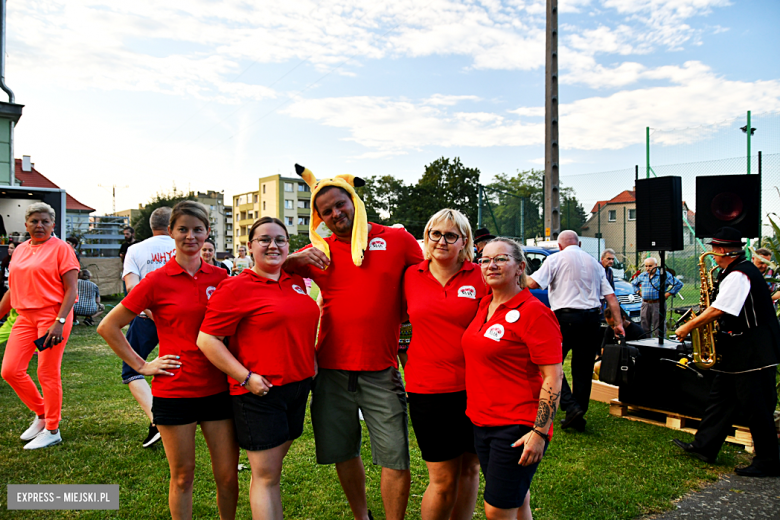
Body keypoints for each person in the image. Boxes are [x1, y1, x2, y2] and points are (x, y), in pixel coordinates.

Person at [284, 165, 423, 520]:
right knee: (343, 451)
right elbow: (266, 272)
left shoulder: (396, 240)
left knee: (395, 455)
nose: (335, 214)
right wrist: (290, 261)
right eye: (326, 211)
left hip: (381, 367)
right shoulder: (318, 251)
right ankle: (362, 516)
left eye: (339, 204)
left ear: (354, 200)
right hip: (331, 369)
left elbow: (431, 278)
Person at [98, 201, 238, 518]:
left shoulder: (221, 278)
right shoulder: (156, 281)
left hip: (219, 389)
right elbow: (108, 327)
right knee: (183, 476)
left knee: (228, 477)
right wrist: (142, 365)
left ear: (207, 233)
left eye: (197, 229)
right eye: (183, 229)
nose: (190, 236)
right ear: (171, 232)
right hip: (175, 392)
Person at [198, 216, 319, 520]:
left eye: (280, 239)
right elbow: (208, 339)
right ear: (249, 246)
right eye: (264, 239)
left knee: (269, 475)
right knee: (266, 478)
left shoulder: (294, 280)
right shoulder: (236, 287)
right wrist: (246, 377)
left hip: (297, 388)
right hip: (259, 393)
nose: (273, 245)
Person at [463, 238, 563, 520]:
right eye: (484, 259)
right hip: (482, 421)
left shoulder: (535, 313)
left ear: (520, 267)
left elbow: (553, 377)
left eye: (501, 259)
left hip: (517, 425)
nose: (491, 265)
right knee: (517, 502)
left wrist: (540, 433)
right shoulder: (484, 305)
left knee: (497, 508)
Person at [673, 227, 780, 478]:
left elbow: (722, 309)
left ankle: (768, 461)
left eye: (714, 250)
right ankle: (704, 447)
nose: (712, 254)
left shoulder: (739, 274)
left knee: (756, 406)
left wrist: (689, 325)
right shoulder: (733, 271)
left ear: (723, 250)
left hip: (753, 350)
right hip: (740, 348)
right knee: (721, 398)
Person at [403, 209, 484, 520]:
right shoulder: (411, 275)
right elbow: (401, 323)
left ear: (464, 241)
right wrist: (406, 357)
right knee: (442, 480)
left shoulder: (480, 275)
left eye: (451, 235)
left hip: (477, 387)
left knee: (470, 468)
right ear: (426, 237)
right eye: (435, 234)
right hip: (429, 390)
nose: (442, 241)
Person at [0, 202, 79, 449]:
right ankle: (42, 414)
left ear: (53, 224)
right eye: (34, 221)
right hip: (24, 317)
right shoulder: (20, 250)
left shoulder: (62, 249)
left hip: (53, 318)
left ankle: (53, 429)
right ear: (26, 225)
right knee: (10, 371)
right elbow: (14, 289)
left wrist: (60, 321)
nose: (39, 225)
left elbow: (71, 289)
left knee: (46, 372)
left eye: (45, 221)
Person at [527, 230, 623, 433]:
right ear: (579, 244)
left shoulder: (556, 259)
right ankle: (578, 412)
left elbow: (533, 283)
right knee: (583, 368)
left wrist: (516, 275)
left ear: (560, 246)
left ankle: (571, 406)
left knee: (550, 364)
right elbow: (611, 297)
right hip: (591, 319)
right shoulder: (595, 263)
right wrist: (618, 323)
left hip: (565, 319)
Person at [121, 207, 176, 448]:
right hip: (181, 317)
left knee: (132, 368)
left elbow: (133, 288)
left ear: (150, 225)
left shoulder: (135, 249)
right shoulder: (184, 244)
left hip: (146, 316)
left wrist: (149, 312)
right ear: (172, 224)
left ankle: (158, 421)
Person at [631, 257, 683, 338]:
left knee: (659, 326)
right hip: (645, 303)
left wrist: (668, 293)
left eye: (650, 266)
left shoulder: (663, 275)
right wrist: (638, 292)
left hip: (657, 303)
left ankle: (661, 345)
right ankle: (647, 344)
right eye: (646, 266)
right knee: (645, 326)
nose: (648, 268)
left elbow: (678, 284)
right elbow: (634, 283)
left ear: (656, 265)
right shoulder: (643, 275)